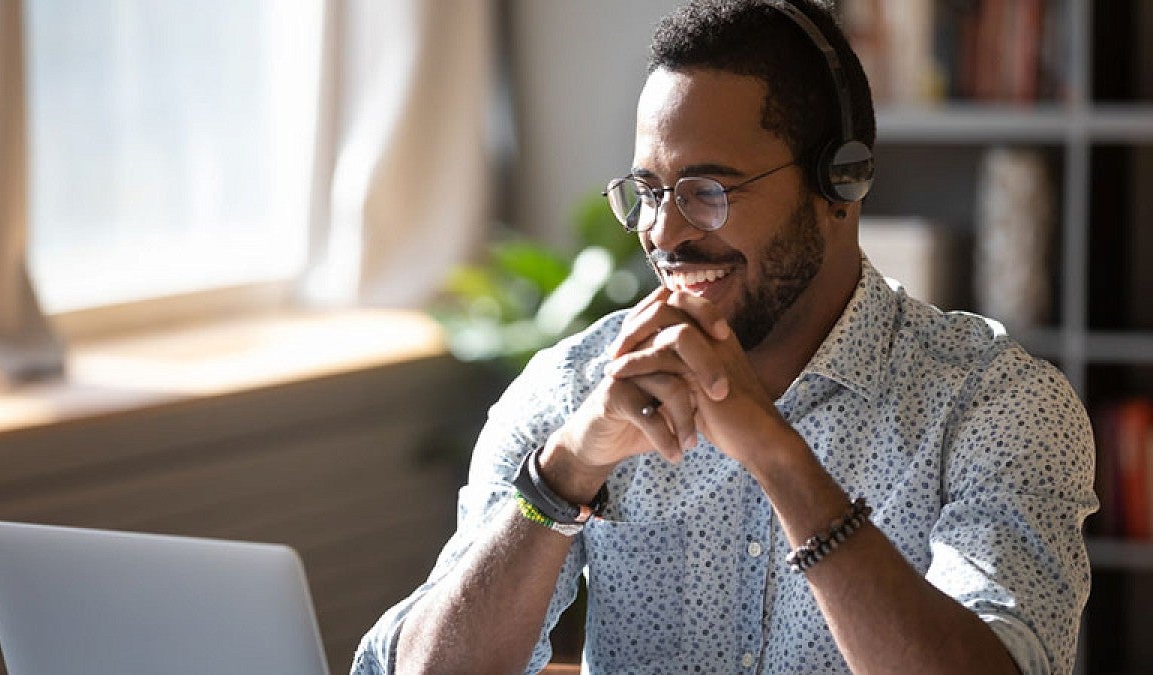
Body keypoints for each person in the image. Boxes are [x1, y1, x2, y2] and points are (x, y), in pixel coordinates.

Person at [352, 1, 1097, 673]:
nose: (664, 234)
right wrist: (564, 473)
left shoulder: (998, 407)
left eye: (707, 191)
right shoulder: (577, 388)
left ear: (842, 183)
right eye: (648, 192)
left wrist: (778, 456)